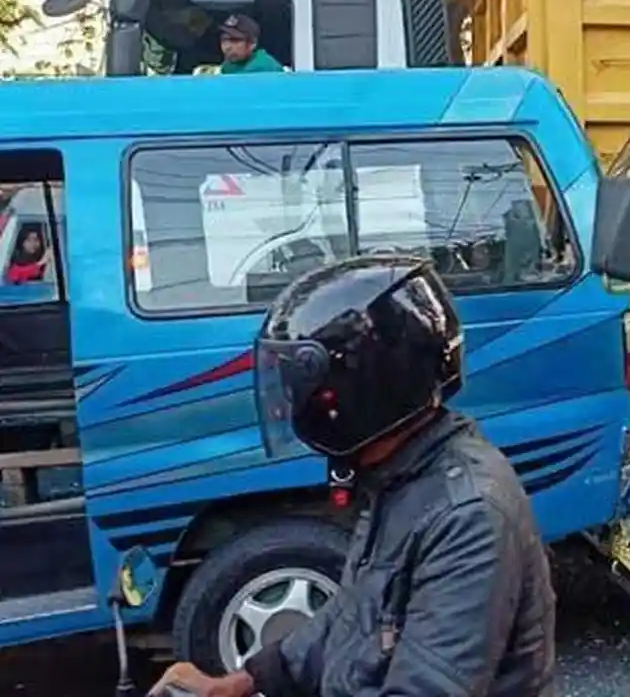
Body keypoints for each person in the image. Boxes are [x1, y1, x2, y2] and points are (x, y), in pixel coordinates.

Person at [150, 255, 556, 697]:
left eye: (300, 386)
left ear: (358, 390)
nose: (292, 404)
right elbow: (352, 615)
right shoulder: (399, 477)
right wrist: (241, 683)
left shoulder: (468, 516)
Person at [218, 14, 285, 74]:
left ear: (252, 44)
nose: (227, 46)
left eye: (235, 40)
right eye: (224, 40)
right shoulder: (230, 64)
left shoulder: (263, 67)